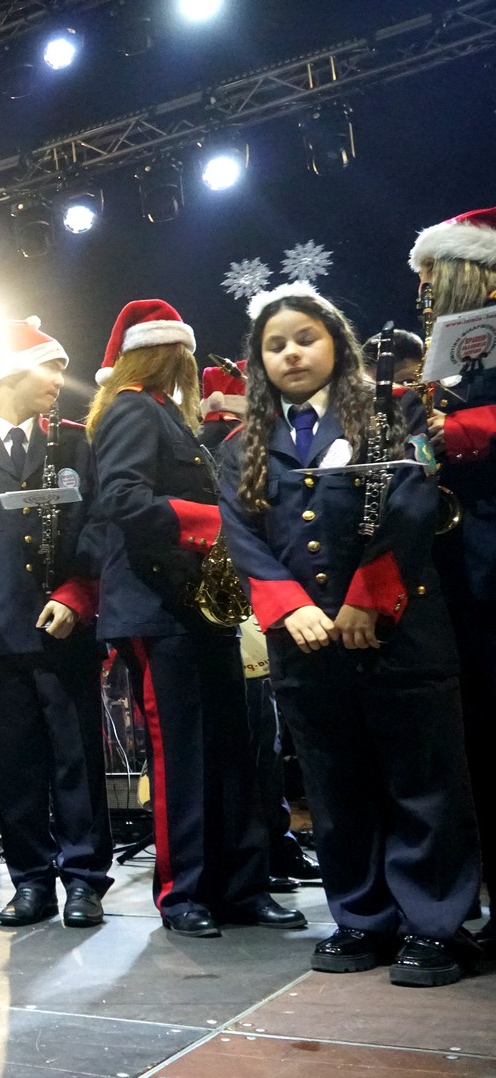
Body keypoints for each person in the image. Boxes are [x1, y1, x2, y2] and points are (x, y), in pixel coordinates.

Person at [218, 282, 481, 985]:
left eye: (305, 338)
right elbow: (242, 534)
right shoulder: (243, 443)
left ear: (336, 341)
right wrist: (287, 607)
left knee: (422, 782)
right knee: (336, 786)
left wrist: (369, 598)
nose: (291, 353)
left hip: (398, 631)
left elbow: (413, 502)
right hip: (305, 643)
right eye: (275, 345)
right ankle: (362, 917)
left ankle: (434, 924)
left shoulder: (393, 412)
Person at [82, 300, 302, 938]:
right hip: (158, 608)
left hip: (195, 605)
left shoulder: (162, 414)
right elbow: (122, 497)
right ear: (169, 353)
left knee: (231, 746)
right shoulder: (132, 408)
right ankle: (184, 892)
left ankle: (241, 886)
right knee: (182, 755)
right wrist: (217, 525)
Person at [0, 319, 113, 929]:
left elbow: (98, 526)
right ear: (10, 374)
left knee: (77, 759)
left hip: (67, 627)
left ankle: (84, 879)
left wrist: (77, 595)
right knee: (16, 763)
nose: (60, 381)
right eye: (49, 369)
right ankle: (31, 880)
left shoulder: (77, 443)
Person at [410, 205, 496, 943]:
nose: (425, 289)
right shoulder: (447, 364)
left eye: (434, 273)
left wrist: (454, 431)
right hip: (458, 566)